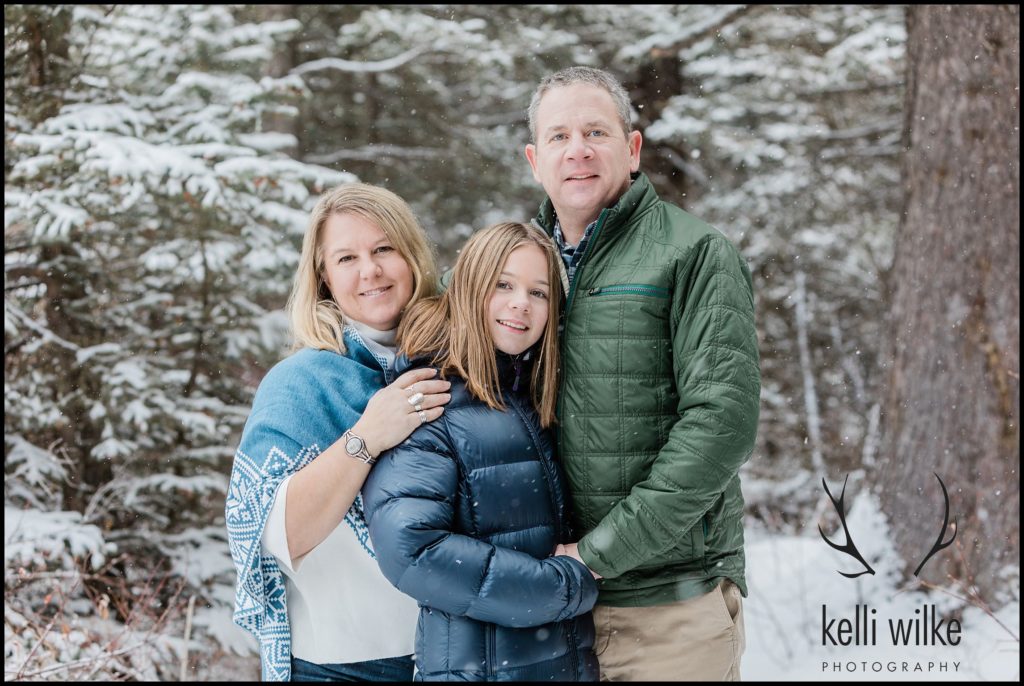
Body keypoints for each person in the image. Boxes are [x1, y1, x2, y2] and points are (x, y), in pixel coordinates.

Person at [522, 66, 761, 681]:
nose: (577, 150)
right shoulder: (514, 269)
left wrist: (601, 554)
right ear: (534, 160)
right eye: (558, 136)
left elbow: (721, 425)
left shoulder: (693, 252)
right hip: (546, 614)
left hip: (668, 613)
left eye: (595, 131)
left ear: (631, 149)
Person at [225, 183, 453, 681]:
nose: (369, 271)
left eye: (383, 249)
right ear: (324, 277)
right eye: (346, 257)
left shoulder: (462, 361)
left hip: (457, 657)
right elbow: (275, 538)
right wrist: (367, 437)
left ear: (412, 255)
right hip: (339, 667)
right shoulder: (300, 384)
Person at [362, 222, 600, 681]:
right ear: (470, 288)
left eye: (539, 293)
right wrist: (559, 586)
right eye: (504, 285)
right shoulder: (431, 396)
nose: (520, 304)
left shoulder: (530, 397)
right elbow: (413, 549)